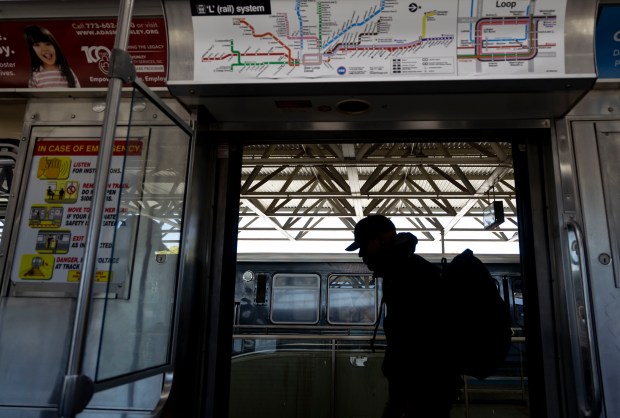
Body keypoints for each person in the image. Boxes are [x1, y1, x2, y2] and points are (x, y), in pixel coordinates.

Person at [345, 214, 462, 418]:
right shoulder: (405, 269)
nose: (361, 254)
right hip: (422, 387)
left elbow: (420, 337)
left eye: (364, 246)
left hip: (422, 389)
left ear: (381, 240)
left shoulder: (407, 274)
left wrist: (408, 397)